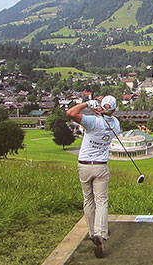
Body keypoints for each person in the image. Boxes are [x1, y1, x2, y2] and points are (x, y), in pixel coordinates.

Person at [66, 95, 120, 258]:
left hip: (84, 165)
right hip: (101, 167)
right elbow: (108, 118)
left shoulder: (93, 122)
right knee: (101, 201)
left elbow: (71, 113)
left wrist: (88, 104)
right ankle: (100, 233)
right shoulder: (116, 124)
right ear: (115, 109)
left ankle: (92, 233)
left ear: (101, 107)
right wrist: (101, 112)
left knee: (88, 200)